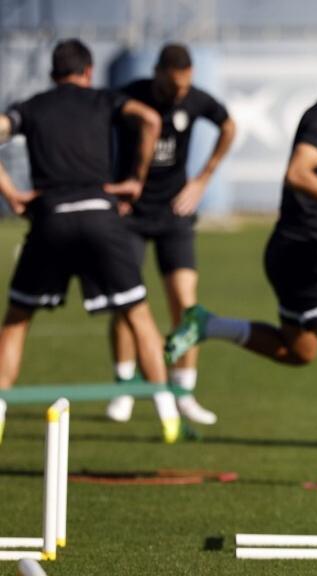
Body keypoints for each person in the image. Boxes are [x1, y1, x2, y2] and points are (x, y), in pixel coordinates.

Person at [163, 50, 317, 487]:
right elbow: (298, 174)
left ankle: (208, 324)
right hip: (305, 257)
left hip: (292, 254)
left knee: (298, 351)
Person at [0, 39, 181, 442]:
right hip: (101, 216)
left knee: (16, 322)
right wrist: (136, 178)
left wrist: (11, 193)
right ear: (88, 71)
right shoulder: (105, 100)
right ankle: (169, 416)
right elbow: (150, 120)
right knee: (139, 315)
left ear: (53, 74)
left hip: (50, 218)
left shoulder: (31, 107)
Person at [105, 43, 236, 427]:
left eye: (185, 87)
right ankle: (124, 386)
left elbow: (228, 126)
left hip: (174, 212)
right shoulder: (129, 96)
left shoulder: (195, 100)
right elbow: (97, 131)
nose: (180, 94)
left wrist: (203, 178)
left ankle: (184, 392)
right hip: (130, 213)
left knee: (185, 304)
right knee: (127, 303)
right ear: (159, 72)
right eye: (174, 86)